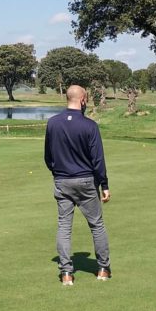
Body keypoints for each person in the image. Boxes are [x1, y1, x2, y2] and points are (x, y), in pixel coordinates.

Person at [44, 85, 111, 286]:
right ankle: (103, 269)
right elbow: (98, 160)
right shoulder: (90, 125)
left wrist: (57, 173)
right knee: (96, 225)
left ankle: (66, 273)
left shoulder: (53, 123)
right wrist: (104, 185)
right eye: (86, 99)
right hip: (85, 181)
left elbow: (48, 157)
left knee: (64, 226)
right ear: (82, 99)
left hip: (62, 181)